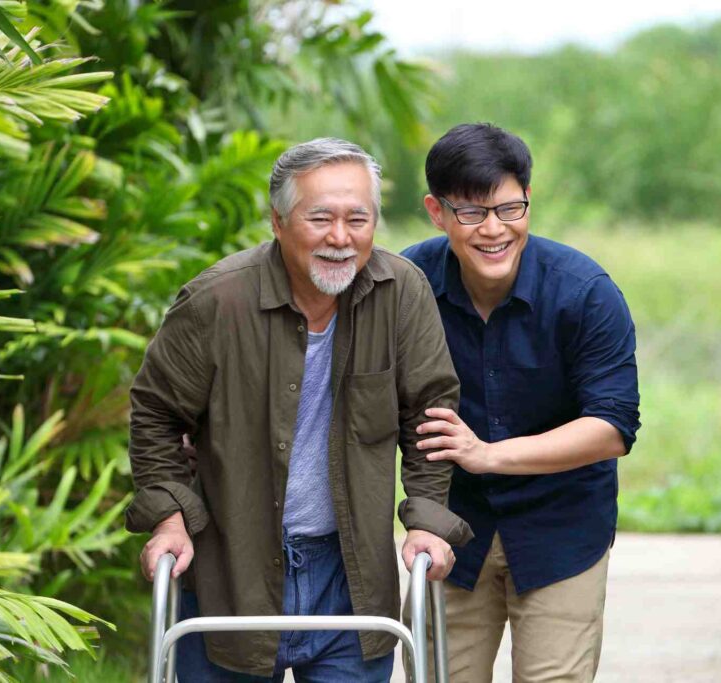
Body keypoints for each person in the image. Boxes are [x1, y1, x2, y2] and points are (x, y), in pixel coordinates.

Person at [125, 137, 473, 682]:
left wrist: (427, 519)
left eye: (358, 218)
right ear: (278, 221)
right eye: (320, 219)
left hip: (351, 573)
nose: (340, 238)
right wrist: (169, 518)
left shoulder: (401, 291)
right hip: (232, 569)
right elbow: (155, 414)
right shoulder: (218, 301)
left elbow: (429, 413)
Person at [402, 123, 641, 682]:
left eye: (511, 209)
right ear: (437, 212)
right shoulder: (407, 284)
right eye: (472, 213)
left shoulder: (584, 291)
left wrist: (489, 454)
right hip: (450, 531)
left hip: (561, 528)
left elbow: (612, 426)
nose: (494, 230)